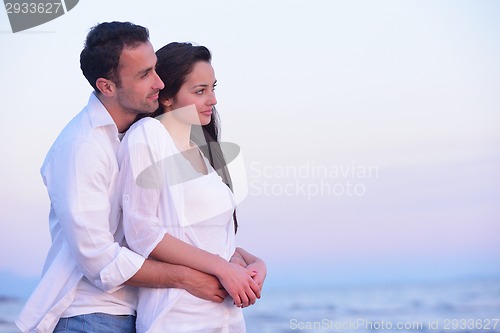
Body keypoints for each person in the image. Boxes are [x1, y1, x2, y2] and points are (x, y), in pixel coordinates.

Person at [16, 22, 233, 333]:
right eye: (144, 75)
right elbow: (100, 260)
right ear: (107, 87)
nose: (159, 83)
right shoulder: (83, 147)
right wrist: (186, 277)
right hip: (90, 316)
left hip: (134, 312)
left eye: (155, 69)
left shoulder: (138, 136)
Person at [117, 42, 266, 332]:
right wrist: (222, 268)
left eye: (213, 88)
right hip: (177, 317)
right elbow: (141, 232)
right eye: (200, 91)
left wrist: (253, 263)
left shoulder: (203, 152)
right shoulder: (148, 135)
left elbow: (207, 240)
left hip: (226, 318)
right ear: (168, 97)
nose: (213, 100)